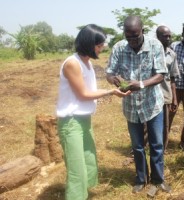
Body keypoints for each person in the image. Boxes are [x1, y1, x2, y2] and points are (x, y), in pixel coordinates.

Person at [56, 24, 130, 200]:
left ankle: (84, 195)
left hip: (83, 120)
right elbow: (83, 94)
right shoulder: (72, 64)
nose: (102, 47)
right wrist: (111, 92)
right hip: (71, 121)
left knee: (88, 159)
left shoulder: (86, 62)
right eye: (99, 45)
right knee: (77, 168)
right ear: (89, 44)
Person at [106, 16, 171, 196]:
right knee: (137, 146)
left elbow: (161, 75)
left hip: (152, 104)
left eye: (135, 36)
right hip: (131, 106)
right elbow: (109, 72)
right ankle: (141, 179)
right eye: (128, 37)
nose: (132, 40)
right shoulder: (119, 47)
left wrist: (141, 84)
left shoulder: (155, 46)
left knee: (157, 144)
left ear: (143, 30)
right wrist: (115, 79)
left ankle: (158, 179)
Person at [156, 25, 180, 153]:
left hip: (165, 95)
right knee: (146, 126)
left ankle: (162, 150)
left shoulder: (172, 55)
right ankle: (142, 148)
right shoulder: (151, 53)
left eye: (170, 36)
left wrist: (174, 99)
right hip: (151, 95)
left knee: (165, 126)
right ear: (158, 37)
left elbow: (173, 78)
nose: (169, 38)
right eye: (165, 36)